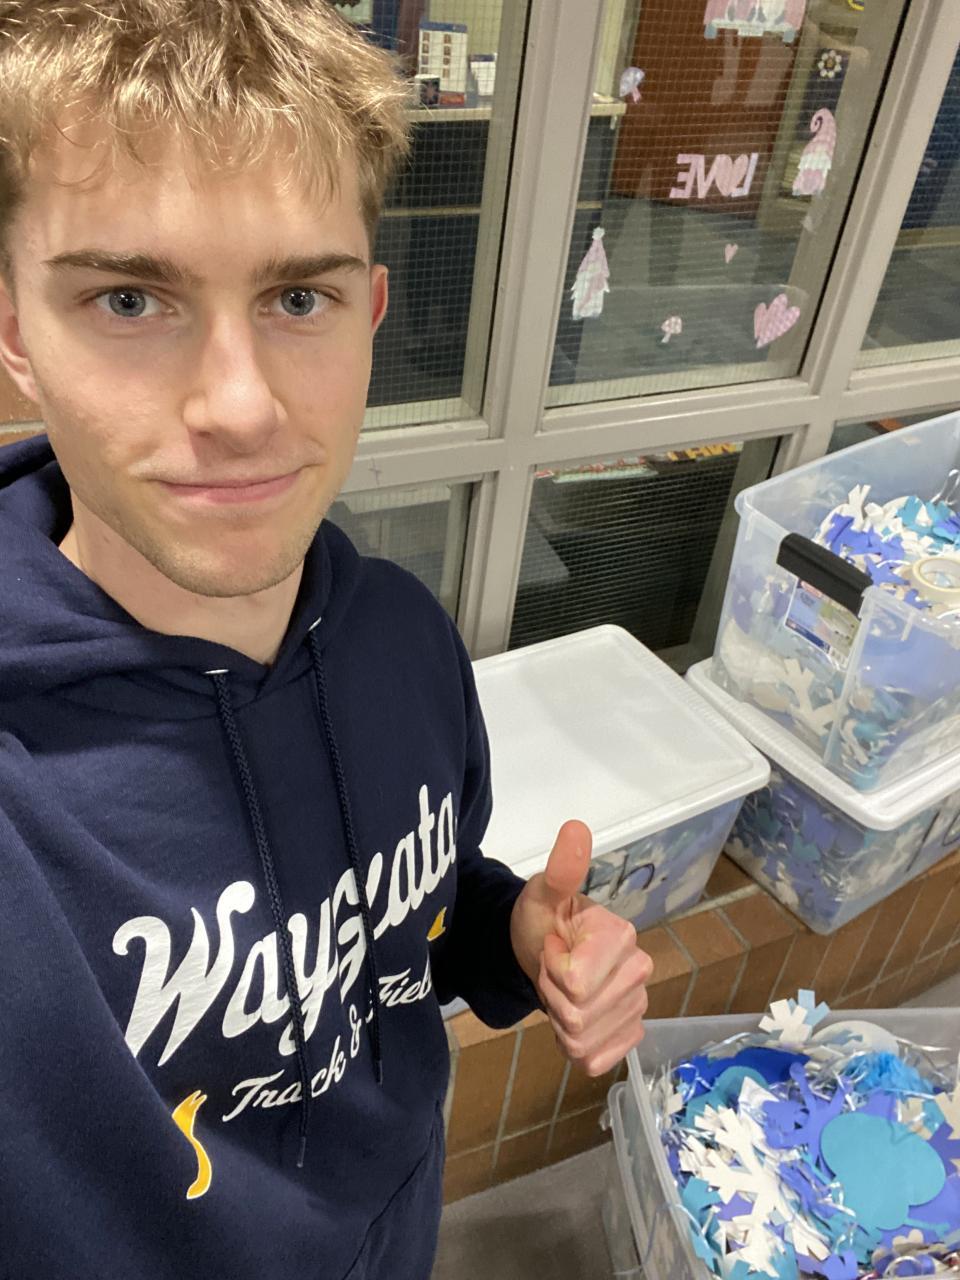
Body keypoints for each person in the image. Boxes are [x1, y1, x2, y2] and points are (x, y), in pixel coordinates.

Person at [0, 3, 653, 1276]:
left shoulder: (402, 638)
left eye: (298, 295)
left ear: (371, 313)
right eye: (130, 297)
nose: (240, 405)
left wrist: (513, 935)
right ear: (18, 332)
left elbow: (405, 918)